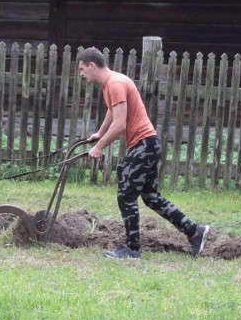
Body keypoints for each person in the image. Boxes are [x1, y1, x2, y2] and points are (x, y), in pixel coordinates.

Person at [77, 47, 209, 259]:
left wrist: (99, 146)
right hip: (147, 144)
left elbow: (120, 124)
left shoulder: (116, 84)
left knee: (126, 194)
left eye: (83, 69)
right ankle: (194, 231)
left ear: (92, 66)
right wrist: (99, 134)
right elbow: (113, 112)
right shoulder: (111, 84)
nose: (82, 74)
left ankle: (132, 248)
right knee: (151, 197)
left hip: (144, 144)